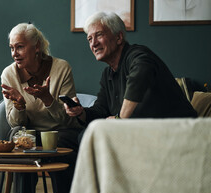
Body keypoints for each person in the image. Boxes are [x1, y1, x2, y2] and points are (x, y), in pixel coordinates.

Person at [1, 23, 83, 193]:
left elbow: (68, 118)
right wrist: (19, 105)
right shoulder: (9, 74)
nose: (14, 53)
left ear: (36, 46)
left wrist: (48, 100)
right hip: (30, 130)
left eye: (19, 47)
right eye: (11, 48)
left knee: (63, 143)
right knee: (21, 138)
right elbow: (13, 121)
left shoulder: (61, 68)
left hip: (60, 130)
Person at [65, 12, 197, 124]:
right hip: (143, 132)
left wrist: (120, 119)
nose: (93, 43)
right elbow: (100, 111)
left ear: (118, 37)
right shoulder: (108, 74)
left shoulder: (138, 55)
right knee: (81, 137)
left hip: (176, 127)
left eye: (99, 35)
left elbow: (139, 76)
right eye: (89, 39)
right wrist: (80, 112)